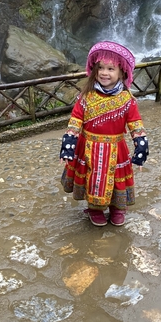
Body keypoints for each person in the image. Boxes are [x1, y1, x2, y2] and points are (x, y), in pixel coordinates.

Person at [59, 41, 149, 227]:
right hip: (88, 147)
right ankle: (95, 209)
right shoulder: (87, 96)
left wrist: (141, 149)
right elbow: (75, 121)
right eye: (101, 68)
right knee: (92, 179)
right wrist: (68, 147)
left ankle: (117, 209)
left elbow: (135, 124)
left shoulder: (126, 99)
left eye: (110, 68)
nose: (104, 73)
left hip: (116, 149)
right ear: (94, 70)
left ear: (122, 72)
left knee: (116, 180)